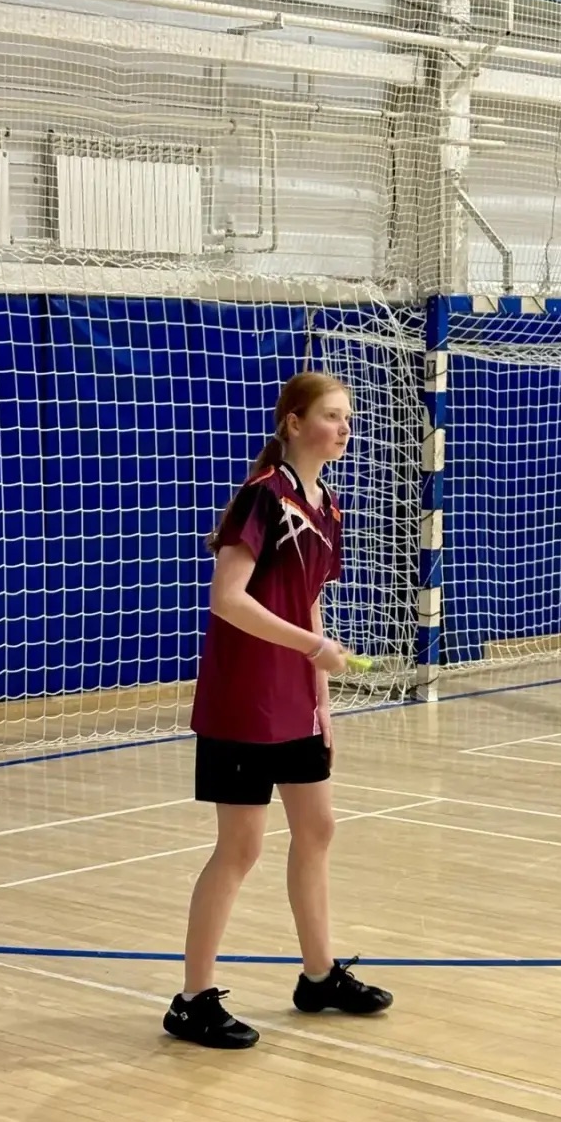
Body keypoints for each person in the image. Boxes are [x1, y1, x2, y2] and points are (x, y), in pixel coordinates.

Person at [163, 372, 393, 1051]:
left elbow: (309, 600)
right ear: (294, 422)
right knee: (240, 847)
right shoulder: (263, 498)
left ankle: (318, 976)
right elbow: (228, 598)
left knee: (317, 827)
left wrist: (321, 698)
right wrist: (314, 648)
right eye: (331, 415)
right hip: (244, 700)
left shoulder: (328, 506)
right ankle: (192, 999)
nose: (344, 427)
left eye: (348, 417)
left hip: (295, 700)